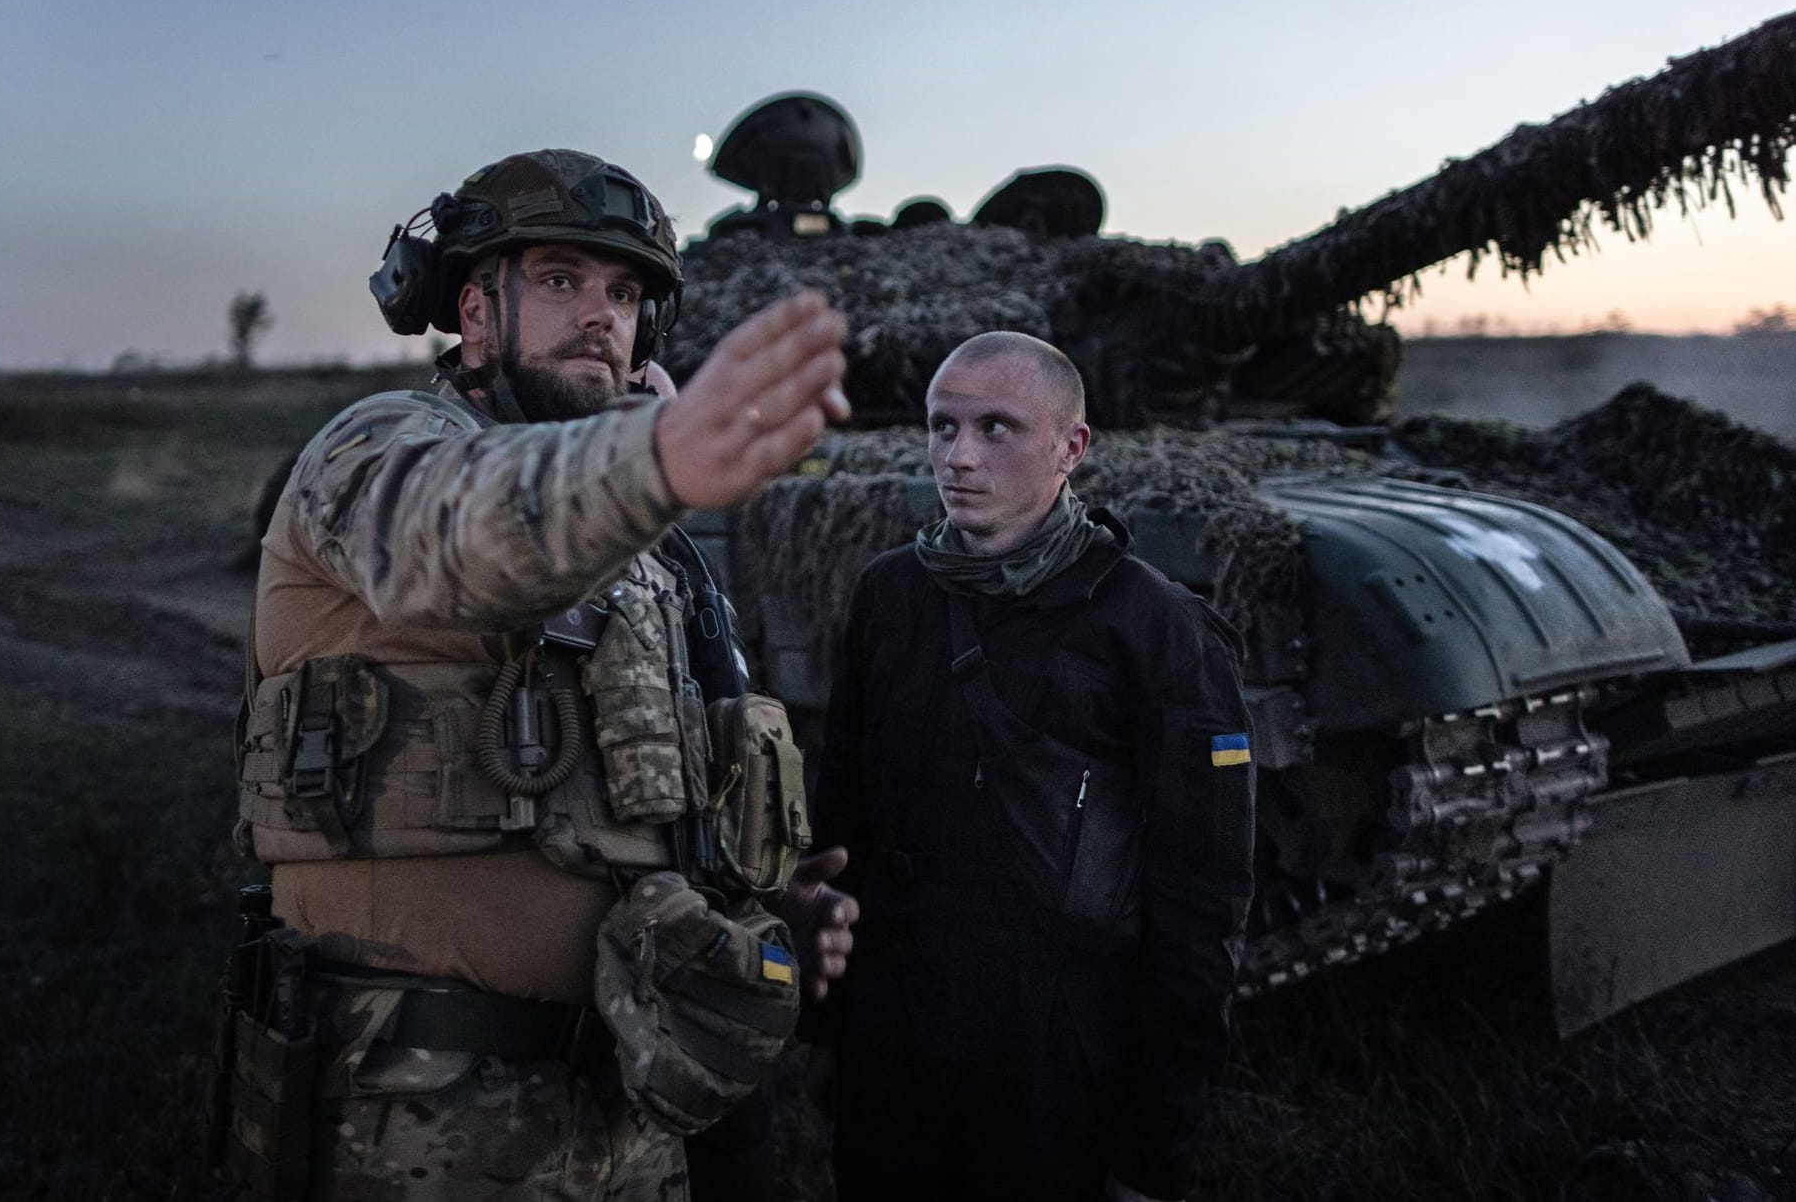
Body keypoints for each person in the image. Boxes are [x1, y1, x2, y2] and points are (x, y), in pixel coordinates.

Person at [220, 148, 858, 1201]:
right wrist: (655, 456)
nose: (600, 315)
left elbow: (632, 784)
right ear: (475, 313)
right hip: (415, 1123)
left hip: (626, 1117)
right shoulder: (375, 450)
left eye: (623, 292)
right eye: (561, 280)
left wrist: (759, 902)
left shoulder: (642, 546)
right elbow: (462, 529)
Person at [815, 331, 1256, 1202]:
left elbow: (1201, 896)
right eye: (942, 427)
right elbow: (842, 819)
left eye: (996, 429)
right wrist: (835, 1030)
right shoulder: (891, 594)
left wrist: (1156, 1137)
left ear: (1071, 447)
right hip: (899, 1032)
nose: (958, 456)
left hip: (1057, 1040)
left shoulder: (1153, 626)